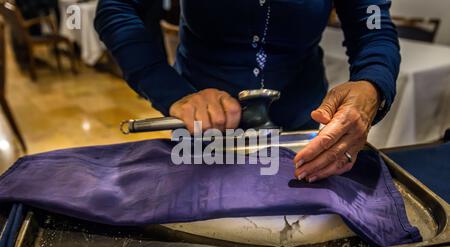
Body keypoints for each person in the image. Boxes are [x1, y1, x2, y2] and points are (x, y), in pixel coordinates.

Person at [94, 0, 400, 182]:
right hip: (204, 128)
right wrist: (171, 91)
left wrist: (371, 85)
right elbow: (117, 8)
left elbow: (372, 27)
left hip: (299, 129)